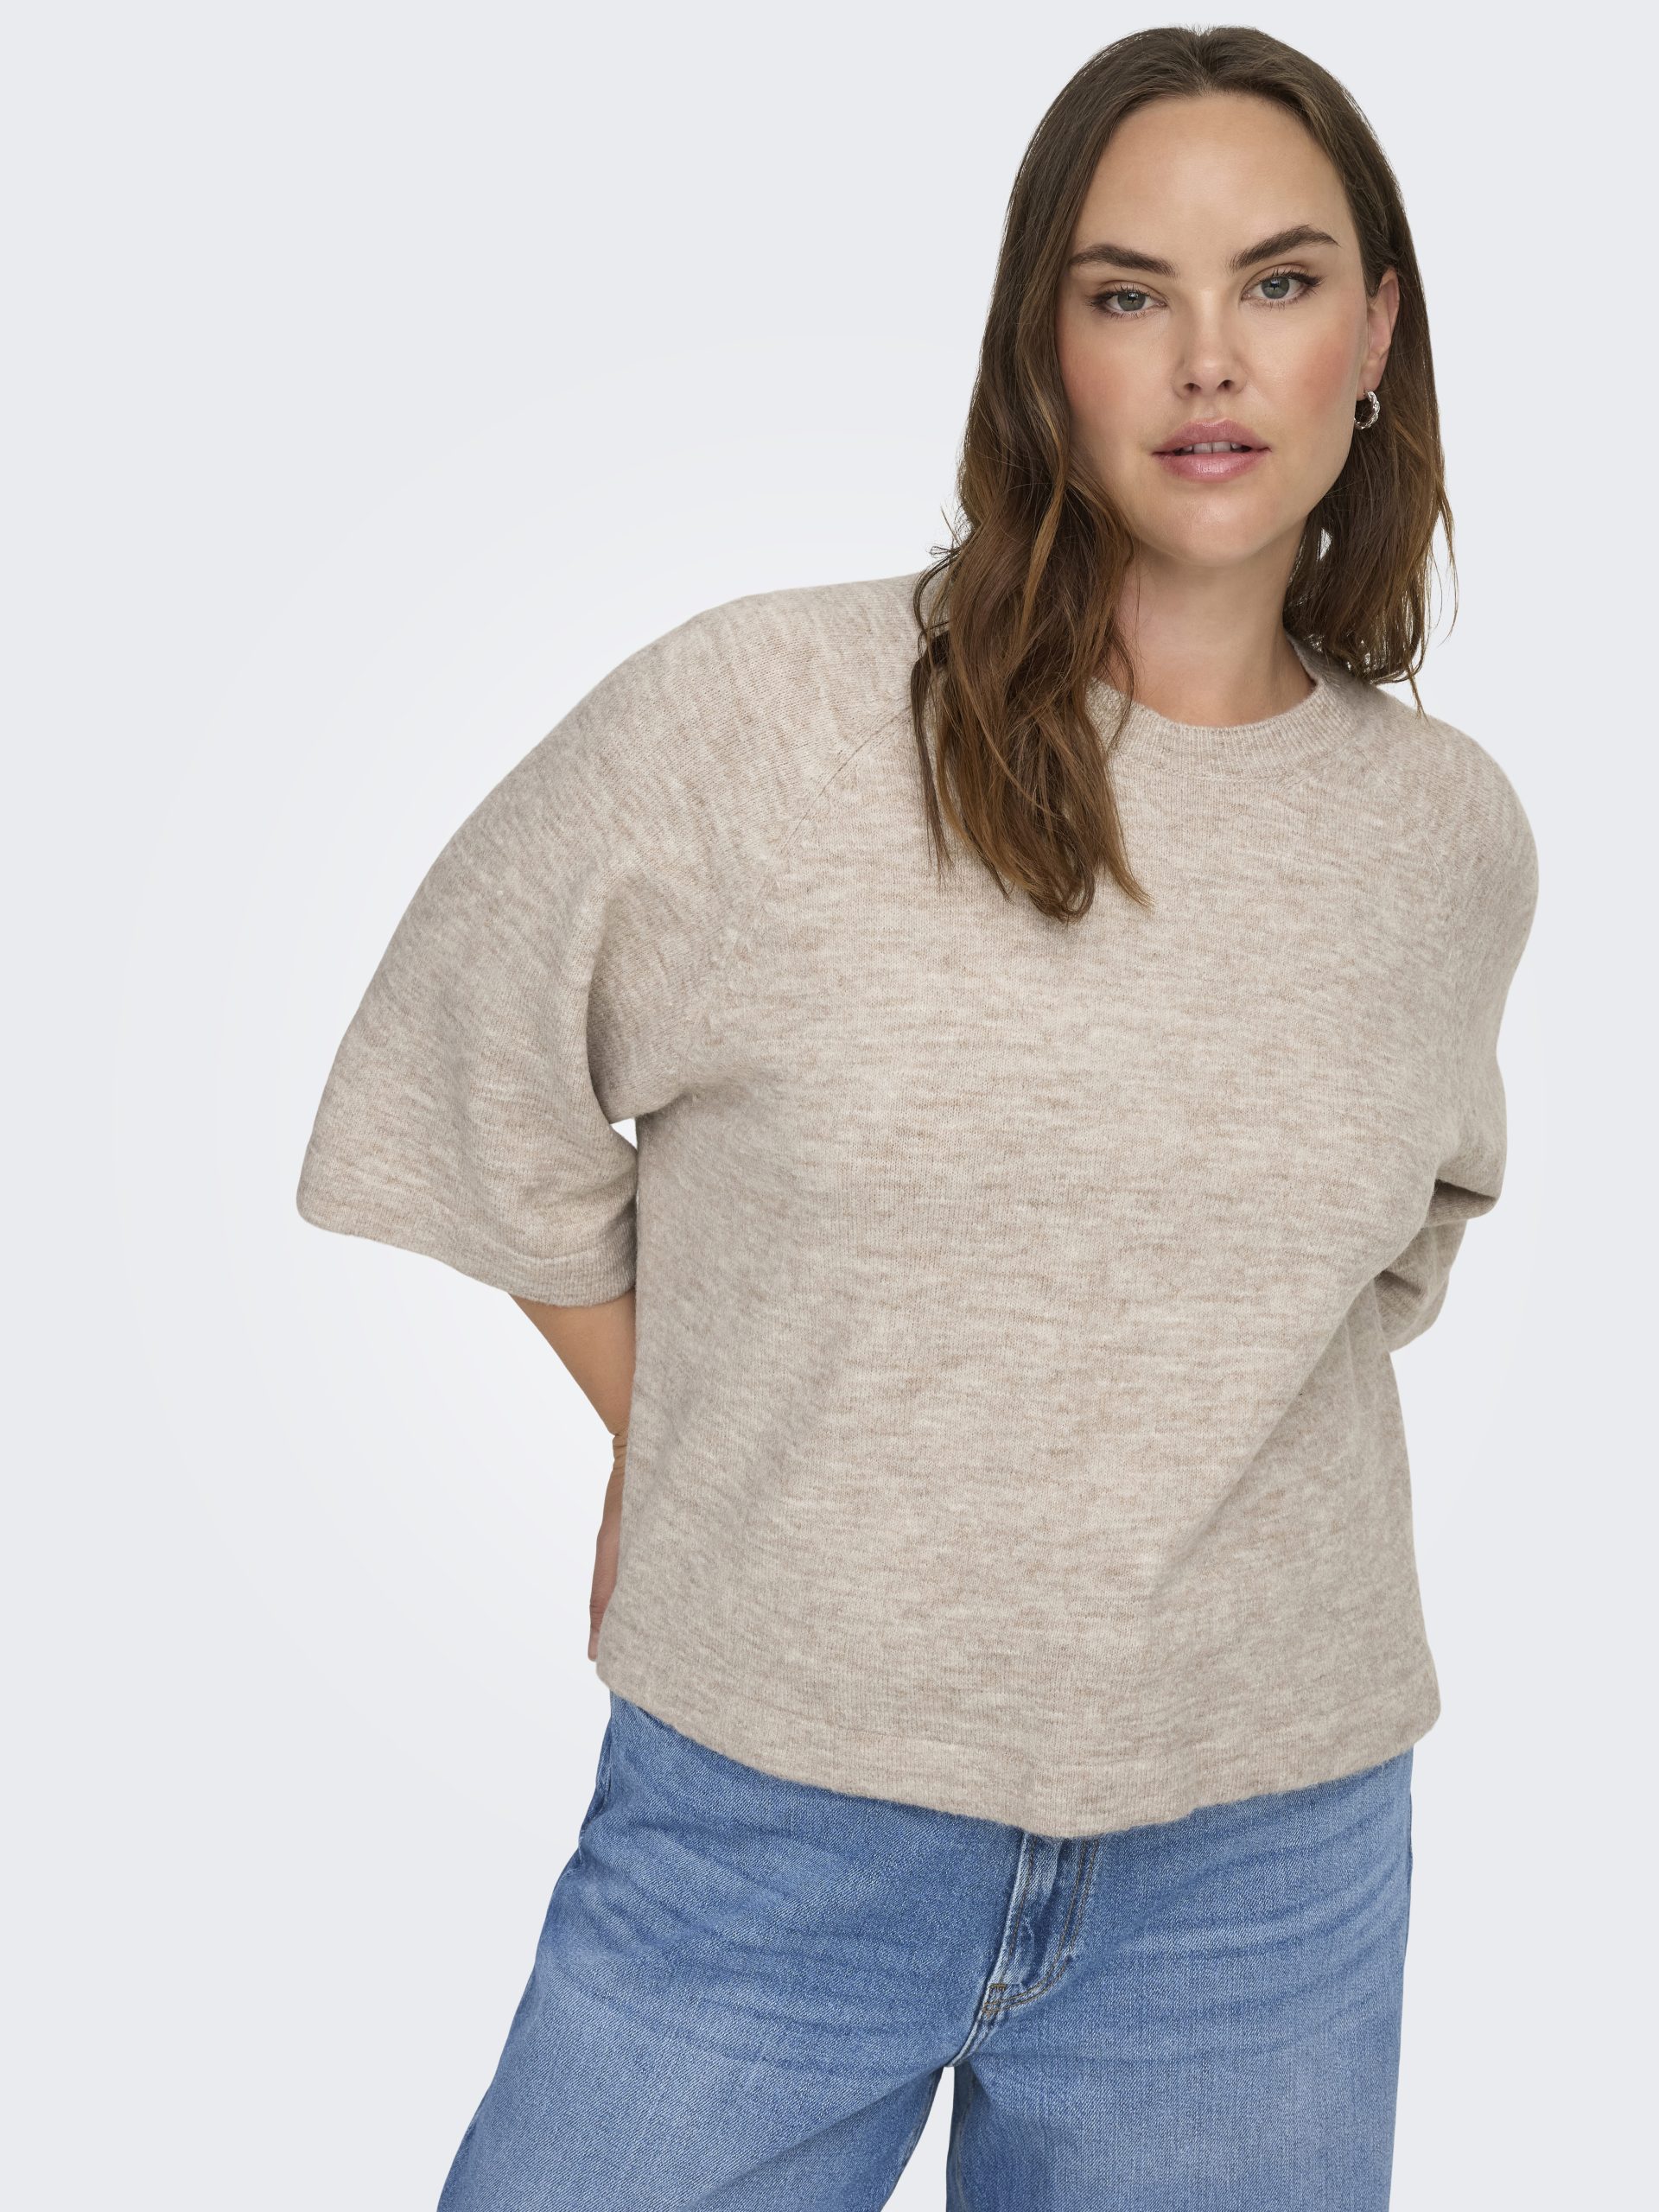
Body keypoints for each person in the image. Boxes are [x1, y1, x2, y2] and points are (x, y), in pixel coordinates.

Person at [295, 24, 1538, 2210]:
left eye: (1277, 280)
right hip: (776, 1815)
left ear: (1374, 335)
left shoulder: (1445, 838)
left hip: (1265, 1869)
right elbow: (469, 1079)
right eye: (1129, 292)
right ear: (1044, 348)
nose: (1209, 358)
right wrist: (695, 1435)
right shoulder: (763, 718)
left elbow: (1361, 1278)